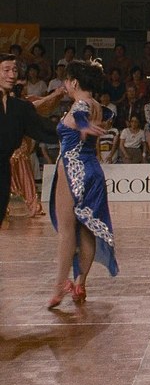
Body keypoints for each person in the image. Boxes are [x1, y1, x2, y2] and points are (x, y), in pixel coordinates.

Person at [48, 59, 118, 309]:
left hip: (73, 169)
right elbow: (108, 116)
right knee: (87, 228)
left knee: (67, 231)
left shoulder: (80, 105)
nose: (65, 85)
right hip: (93, 170)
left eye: (67, 81)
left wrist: (85, 125)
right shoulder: (99, 106)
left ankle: (59, 286)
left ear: (74, 82)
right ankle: (80, 283)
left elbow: (79, 115)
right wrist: (88, 126)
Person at [1, 54, 57, 228]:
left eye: (15, 70)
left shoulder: (19, 107)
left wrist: (76, 129)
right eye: (6, 70)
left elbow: (44, 129)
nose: (12, 75)